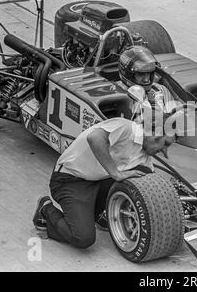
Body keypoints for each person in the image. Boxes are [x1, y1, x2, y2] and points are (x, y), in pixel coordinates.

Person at [32, 115, 176, 249]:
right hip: (70, 180)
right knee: (83, 238)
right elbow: (94, 138)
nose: (164, 151)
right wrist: (115, 173)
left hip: (97, 181)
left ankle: (98, 213)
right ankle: (45, 210)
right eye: (165, 144)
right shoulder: (126, 127)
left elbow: (153, 186)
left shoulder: (145, 156)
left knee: (145, 174)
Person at [117, 45, 180, 115]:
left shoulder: (160, 89)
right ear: (128, 74)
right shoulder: (118, 96)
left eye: (149, 73)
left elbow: (176, 115)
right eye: (141, 74)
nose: (146, 79)